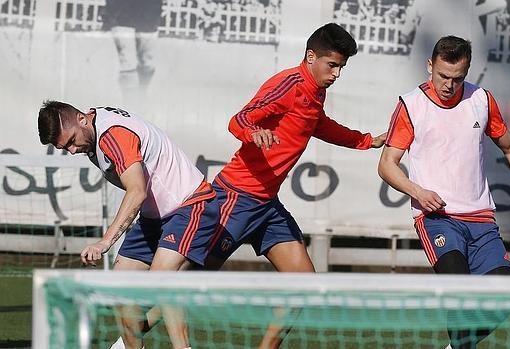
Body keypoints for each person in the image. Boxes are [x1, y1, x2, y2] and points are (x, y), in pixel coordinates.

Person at [377, 36, 510, 349]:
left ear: (468, 71)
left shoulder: (482, 100)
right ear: (430, 66)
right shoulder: (411, 105)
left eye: (458, 78)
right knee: (459, 290)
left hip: (481, 220)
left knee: (506, 295)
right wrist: (418, 191)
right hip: (437, 218)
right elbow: (387, 165)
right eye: (443, 76)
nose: (449, 85)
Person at [211, 22, 386, 348]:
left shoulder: (315, 92)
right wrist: (254, 132)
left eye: (341, 67)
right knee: (182, 282)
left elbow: (319, 124)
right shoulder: (289, 83)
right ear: (310, 57)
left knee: (304, 286)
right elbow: (240, 119)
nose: (336, 74)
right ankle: (126, 341)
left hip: (266, 206)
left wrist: (367, 141)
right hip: (235, 198)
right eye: (332, 65)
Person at [37, 101, 220, 349]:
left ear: (82, 118)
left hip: (190, 205)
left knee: (161, 282)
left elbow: (136, 192)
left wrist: (105, 242)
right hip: (155, 217)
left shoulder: (112, 135)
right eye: (64, 148)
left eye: (70, 142)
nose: (71, 151)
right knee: (122, 288)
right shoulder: (93, 130)